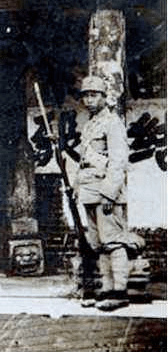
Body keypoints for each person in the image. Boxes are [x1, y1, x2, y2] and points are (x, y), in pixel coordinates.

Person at [75, 75, 130, 311]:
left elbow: (118, 161)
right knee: (98, 243)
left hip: (106, 192)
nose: (89, 99)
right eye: (86, 95)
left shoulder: (112, 123)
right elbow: (84, 162)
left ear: (104, 97)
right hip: (89, 191)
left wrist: (109, 193)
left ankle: (120, 291)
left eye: (94, 95)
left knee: (113, 241)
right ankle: (107, 290)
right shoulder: (90, 125)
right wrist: (78, 188)